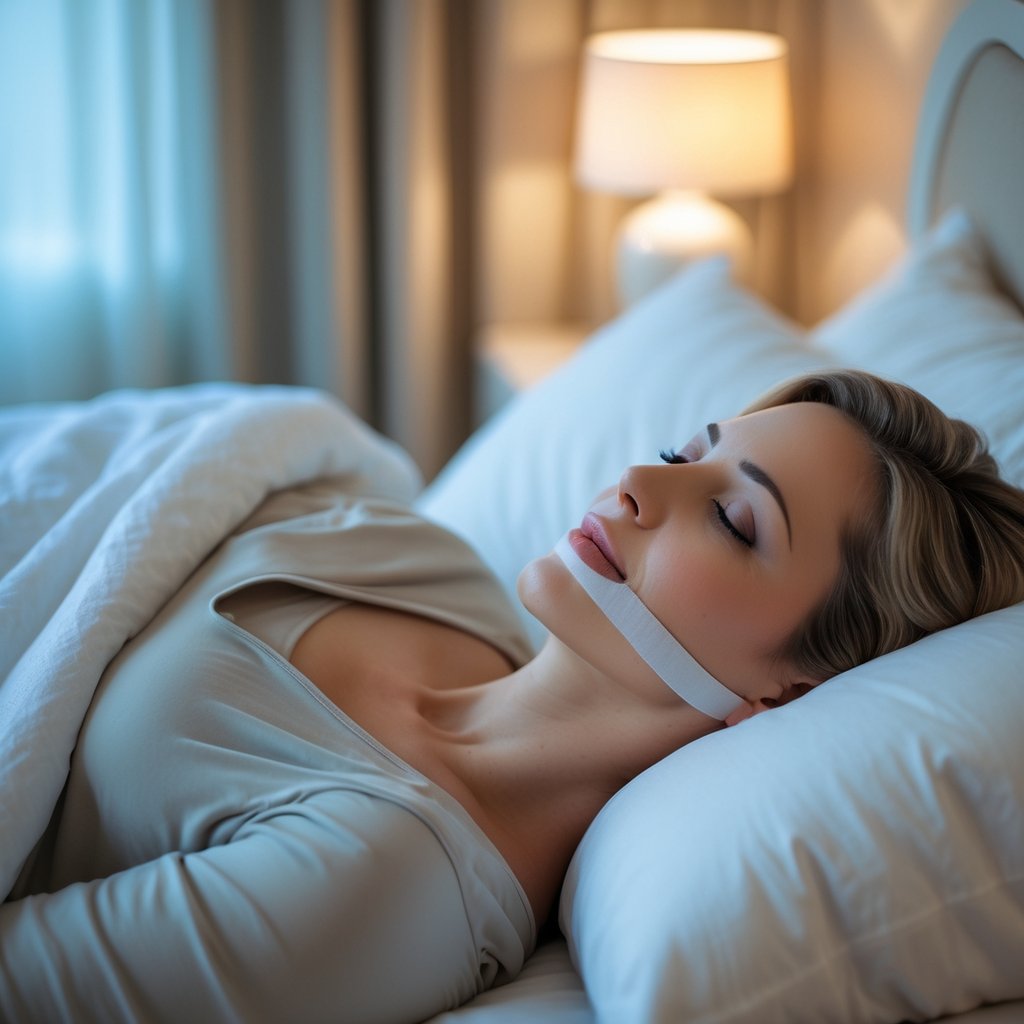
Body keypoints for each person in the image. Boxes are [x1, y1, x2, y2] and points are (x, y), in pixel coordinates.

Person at [2, 370, 1023, 1024]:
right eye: (686, 451)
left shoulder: (385, 887)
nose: (634, 482)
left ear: (787, 689)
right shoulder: (426, 562)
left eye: (732, 519)